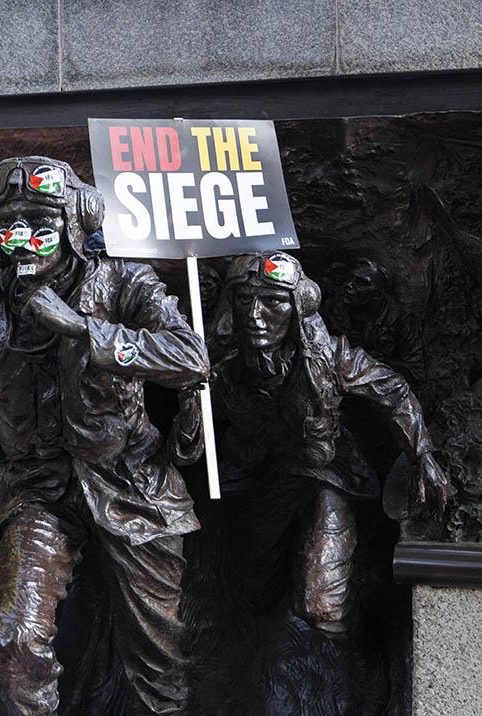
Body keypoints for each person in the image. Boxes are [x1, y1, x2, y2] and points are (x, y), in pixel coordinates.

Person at [0, 157, 209, 716]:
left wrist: (79, 327)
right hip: (41, 492)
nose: (22, 241)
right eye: (9, 227)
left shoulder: (123, 283)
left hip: (129, 487)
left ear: (71, 225)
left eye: (39, 224)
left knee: (159, 668)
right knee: (11, 632)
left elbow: (191, 357)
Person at [188, 252, 447, 638]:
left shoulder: (330, 359)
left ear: (297, 308)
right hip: (261, 479)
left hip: (325, 476)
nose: (255, 315)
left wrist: (422, 452)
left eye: (273, 302)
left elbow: (393, 392)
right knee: (253, 588)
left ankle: (351, 650)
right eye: (245, 300)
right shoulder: (218, 361)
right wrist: (191, 398)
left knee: (322, 602)